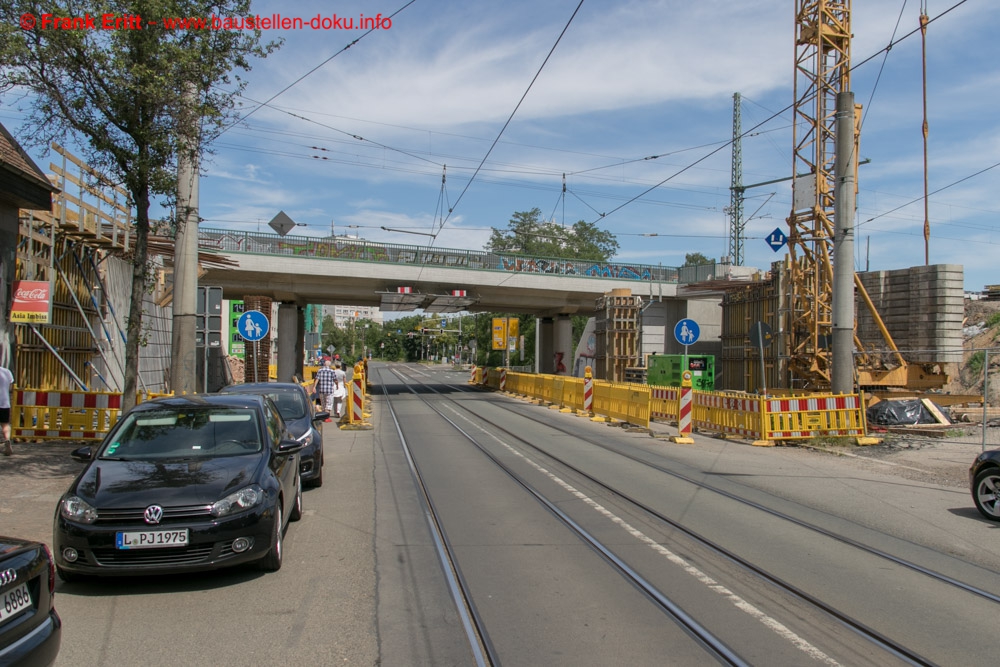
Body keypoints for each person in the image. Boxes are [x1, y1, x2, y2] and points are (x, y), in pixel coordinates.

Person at [0, 365, 13, 456]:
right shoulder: (7, 372)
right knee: (5, 424)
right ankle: (7, 440)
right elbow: (11, 387)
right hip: (5, 402)